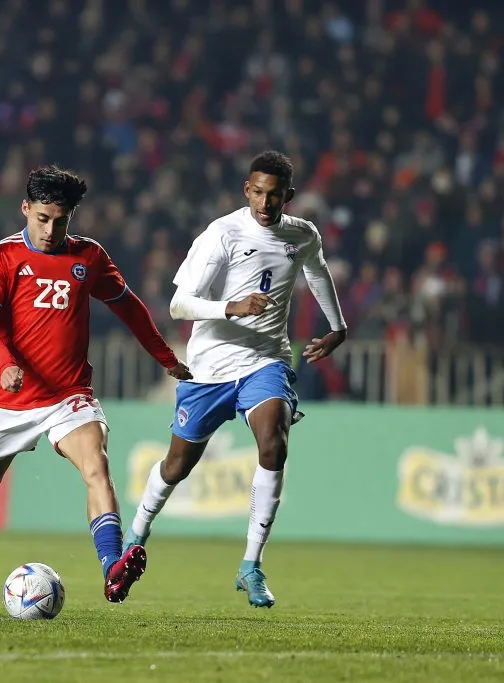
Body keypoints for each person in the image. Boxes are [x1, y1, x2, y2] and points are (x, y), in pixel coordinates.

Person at [0, 165, 191, 603]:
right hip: (10, 395)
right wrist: (4, 363)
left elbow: (130, 308)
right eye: (42, 218)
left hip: (69, 394)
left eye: (60, 221)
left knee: (97, 466)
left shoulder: (89, 257)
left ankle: (113, 567)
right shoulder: (1, 257)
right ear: (25, 209)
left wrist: (165, 357)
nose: (49, 230)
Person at [124, 151, 348, 608]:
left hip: (265, 362)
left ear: (289, 196)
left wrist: (337, 327)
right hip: (208, 370)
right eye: (258, 192)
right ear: (247, 190)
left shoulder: (301, 234)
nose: (266, 203)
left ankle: (251, 565)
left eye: (276, 195)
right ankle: (135, 537)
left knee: (274, 443)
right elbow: (179, 304)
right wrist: (230, 306)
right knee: (176, 466)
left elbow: (317, 271)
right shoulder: (221, 235)